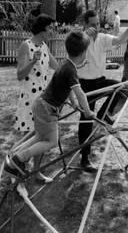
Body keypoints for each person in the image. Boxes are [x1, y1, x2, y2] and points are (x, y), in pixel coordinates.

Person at [5, 31, 94, 179]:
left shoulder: (65, 64)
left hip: (41, 105)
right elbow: (80, 93)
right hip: (47, 109)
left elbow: (69, 89)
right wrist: (88, 112)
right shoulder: (70, 70)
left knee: (40, 137)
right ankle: (19, 159)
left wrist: (72, 102)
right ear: (83, 53)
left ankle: (15, 159)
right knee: (52, 141)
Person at [77, 10, 128, 171]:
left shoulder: (102, 38)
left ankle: (103, 115)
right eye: (92, 24)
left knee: (120, 88)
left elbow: (119, 40)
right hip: (84, 84)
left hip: (99, 80)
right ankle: (84, 158)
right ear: (84, 25)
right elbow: (74, 53)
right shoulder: (80, 39)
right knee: (86, 121)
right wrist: (84, 36)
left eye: (97, 23)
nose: (96, 27)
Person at [14, 13, 59, 182]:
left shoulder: (45, 46)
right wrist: (32, 61)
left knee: (43, 137)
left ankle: (36, 172)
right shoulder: (26, 46)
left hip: (42, 101)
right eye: (51, 28)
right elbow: (20, 74)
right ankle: (17, 175)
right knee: (27, 138)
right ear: (42, 29)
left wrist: (74, 68)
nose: (53, 31)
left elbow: (57, 67)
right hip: (29, 100)